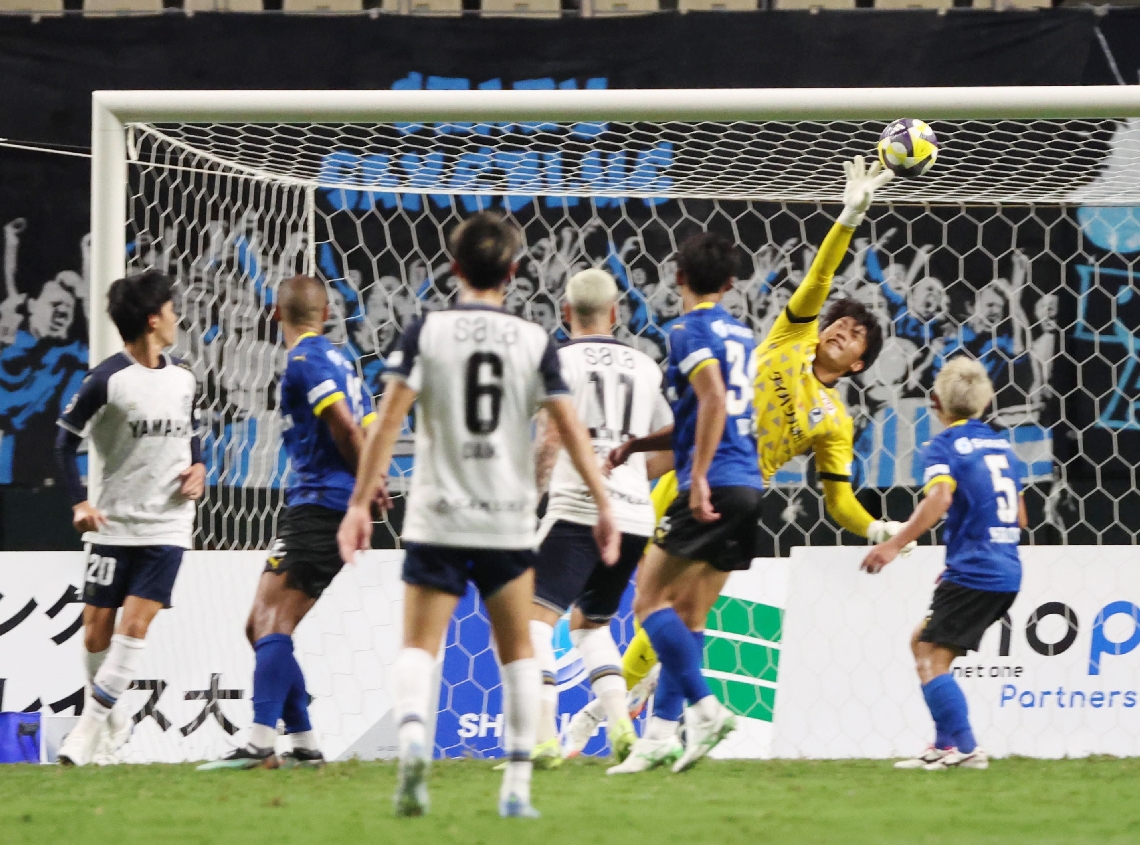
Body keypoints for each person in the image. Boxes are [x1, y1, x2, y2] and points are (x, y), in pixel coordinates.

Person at [337, 211, 619, 819]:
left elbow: (387, 421)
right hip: (507, 516)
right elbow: (569, 428)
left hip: (437, 512)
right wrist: (601, 502)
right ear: (514, 273)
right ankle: (516, 788)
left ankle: (413, 746)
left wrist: (359, 504)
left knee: (419, 645)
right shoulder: (535, 340)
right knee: (517, 649)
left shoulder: (425, 332)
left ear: (453, 268)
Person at [609, 157, 910, 713]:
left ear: (861, 366)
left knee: (663, 605)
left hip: (733, 489)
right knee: (655, 599)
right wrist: (848, 216)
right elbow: (820, 278)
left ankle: (616, 708)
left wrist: (879, 528)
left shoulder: (835, 422)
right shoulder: (789, 338)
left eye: (858, 334)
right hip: (685, 475)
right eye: (840, 322)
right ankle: (651, 700)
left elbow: (839, 501)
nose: (844, 329)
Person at [197, 275, 374, 771]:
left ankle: (258, 742)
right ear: (327, 314)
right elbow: (369, 425)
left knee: (273, 621)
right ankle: (304, 742)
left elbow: (341, 422)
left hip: (323, 505)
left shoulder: (305, 360)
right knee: (259, 625)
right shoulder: (345, 361)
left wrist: (365, 486)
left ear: (276, 315)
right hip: (321, 504)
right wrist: (372, 478)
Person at [603, 230, 763, 776]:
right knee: (691, 614)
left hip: (713, 483)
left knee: (649, 602)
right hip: (748, 485)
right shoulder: (742, 335)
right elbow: (706, 415)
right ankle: (661, 738)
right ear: (730, 283)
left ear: (678, 279)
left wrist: (694, 478)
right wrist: (636, 445)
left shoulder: (686, 331)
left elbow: (714, 398)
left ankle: (707, 709)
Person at [54, 269, 206, 766]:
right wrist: (80, 501)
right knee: (96, 632)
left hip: (167, 525)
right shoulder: (106, 380)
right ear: (151, 319)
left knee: (133, 628)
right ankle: (111, 714)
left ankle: (87, 727)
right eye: (171, 307)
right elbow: (63, 443)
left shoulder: (184, 375)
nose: (177, 316)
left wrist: (199, 469)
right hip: (113, 525)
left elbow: (193, 437)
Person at [528, 269, 673, 767]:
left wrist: (532, 498)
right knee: (590, 626)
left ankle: (543, 738)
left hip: (577, 509)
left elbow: (550, 438)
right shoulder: (647, 364)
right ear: (616, 314)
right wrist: (629, 475)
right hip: (634, 516)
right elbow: (674, 442)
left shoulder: (558, 359)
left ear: (565, 314)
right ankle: (620, 731)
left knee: (532, 621)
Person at [862, 357, 1027, 770]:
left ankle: (968, 748)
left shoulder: (943, 446)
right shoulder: (1002, 446)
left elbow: (939, 500)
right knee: (922, 641)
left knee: (933, 657)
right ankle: (943, 745)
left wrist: (893, 545)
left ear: (935, 401)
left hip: (977, 570)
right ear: (986, 403)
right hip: (1005, 567)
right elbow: (1020, 517)